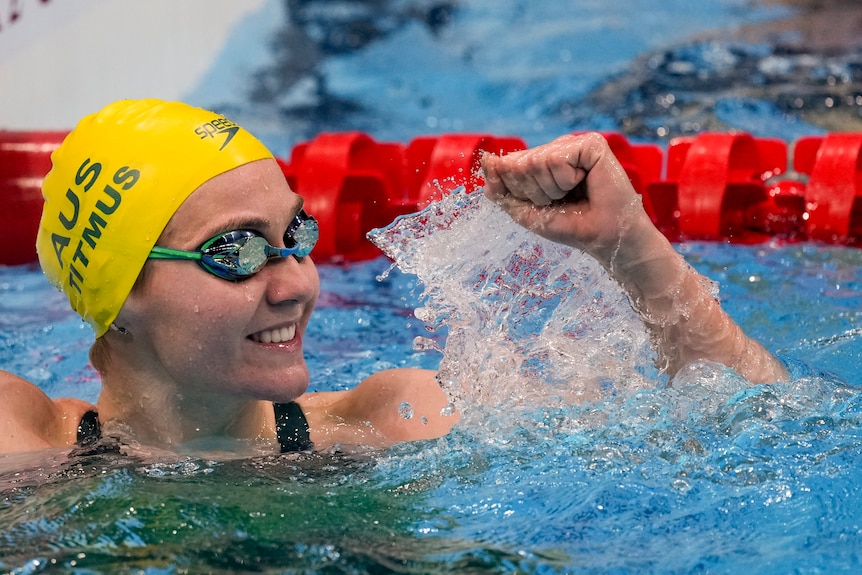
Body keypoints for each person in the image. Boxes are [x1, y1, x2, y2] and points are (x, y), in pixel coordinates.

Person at [0, 99, 787, 456]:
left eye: (296, 235)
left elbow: (755, 427)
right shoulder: (24, 441)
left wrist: (633, 249)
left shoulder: (389, 423)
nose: (296, 282)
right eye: (235, 251)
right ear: (117, 299)